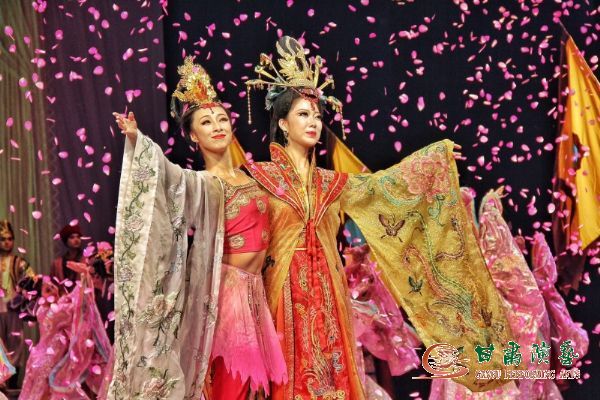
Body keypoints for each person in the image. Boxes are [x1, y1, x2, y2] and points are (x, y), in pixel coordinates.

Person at [244, 36, 515, 398]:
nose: (314, 123)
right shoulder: (259, 179)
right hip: (281, 293)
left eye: (318, 116)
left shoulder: (332, 183)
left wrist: (434, 157)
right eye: (303, 115)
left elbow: (386, 187)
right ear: (282, 123)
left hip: (329, 294)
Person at [108, 58, 286, 399]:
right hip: (227, 296)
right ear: (193, 135)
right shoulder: (202, 183)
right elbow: (168, 176)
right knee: (230, 386)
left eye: (222, 119)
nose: (217, 126)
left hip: (258, 291)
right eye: (206, 122)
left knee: (257, 390)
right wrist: (138, 141)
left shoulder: (253, 177)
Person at [0, 220, 35, 389]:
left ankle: (13, 384)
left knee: (16, 346)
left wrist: (24, 291)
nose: (7, 242)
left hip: (13, 310)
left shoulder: (19, 262)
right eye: (3, 239)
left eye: (10, 239)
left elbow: (33, 281)